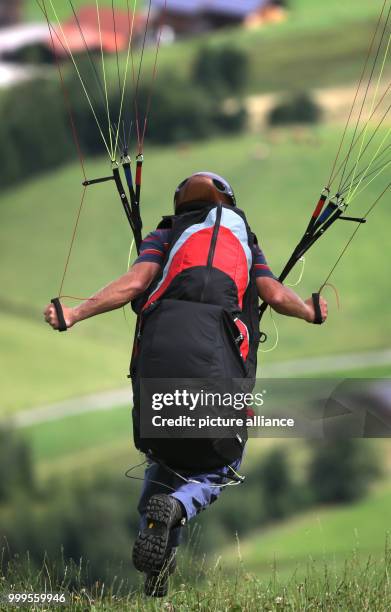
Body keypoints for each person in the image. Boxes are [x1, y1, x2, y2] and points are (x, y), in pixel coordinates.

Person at [44, 172, 327, 597]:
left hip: (159, 366)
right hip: (215, 368)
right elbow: (272, 293)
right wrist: (310, 312)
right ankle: (179, 506)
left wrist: (75, 313)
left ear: (180, 205)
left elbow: (135, 284)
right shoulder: (244, 239)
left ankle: (156, 583)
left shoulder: (166, 234)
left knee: (163, 458)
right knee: (219, 465)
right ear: (229, 202)